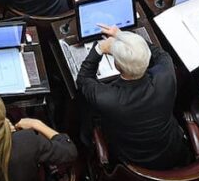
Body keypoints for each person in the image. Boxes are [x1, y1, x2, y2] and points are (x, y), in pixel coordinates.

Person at [77, 28, 189, 170]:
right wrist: (123, 36)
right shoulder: (166, 74)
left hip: (132, 162)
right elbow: (160, 54)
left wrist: (100, 48)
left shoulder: (109, 98)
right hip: (171, 151)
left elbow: (83, 79)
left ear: (117, 65)